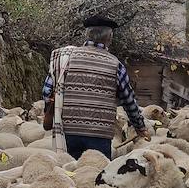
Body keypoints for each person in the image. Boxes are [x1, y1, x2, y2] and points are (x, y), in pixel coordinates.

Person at [42, 15, 151, 159]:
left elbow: (47, 91)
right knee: (95, 173)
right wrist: (140, 127)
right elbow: (128, 100)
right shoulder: (115, 65)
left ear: (86, 35)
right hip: (99, 135)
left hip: (69, 132)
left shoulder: (65, 58)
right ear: (109, 37)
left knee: (69, 173)